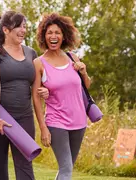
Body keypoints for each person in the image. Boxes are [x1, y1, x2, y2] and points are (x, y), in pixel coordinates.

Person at [0, 10, 48, 180]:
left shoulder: (31, 53)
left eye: (25, 26)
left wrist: (45, 90)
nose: (23, 30)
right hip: (0, 116)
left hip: (24, 116)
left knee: (25, 164)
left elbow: (37, 86)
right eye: (18, 26)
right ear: (5, 30)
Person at [32, 12, 91, 180]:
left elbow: (85, 88)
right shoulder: (39, 63)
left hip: (79, 121)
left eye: (57, 32)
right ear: (44, 36)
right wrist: (43, 127)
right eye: (49, 32)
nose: (53, 36)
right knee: (66, 168)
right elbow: (35, 97)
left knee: (68, 168)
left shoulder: (73, 57)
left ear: (64, 36)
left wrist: (84, 72)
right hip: (56, 121)